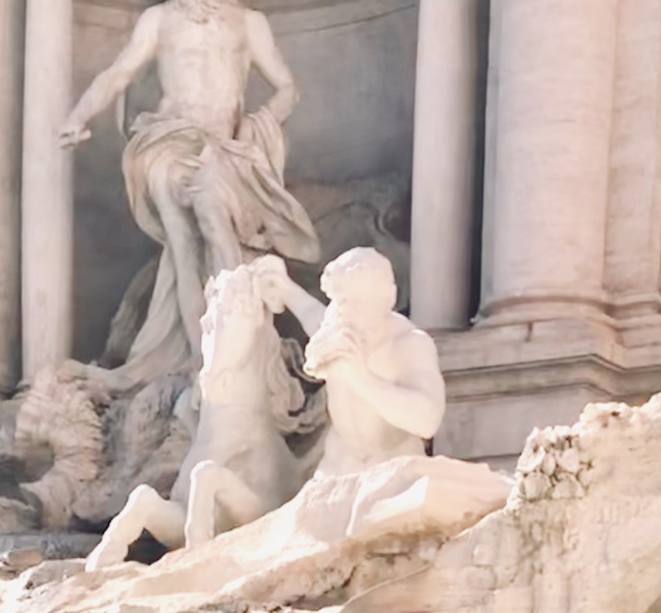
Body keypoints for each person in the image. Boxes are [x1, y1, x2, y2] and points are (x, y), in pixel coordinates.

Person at [59, 0, 319, 385]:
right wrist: (78, 116)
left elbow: (287, 88)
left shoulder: (249, 23)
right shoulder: (160, 19)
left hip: (221, 148)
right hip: (168, 141)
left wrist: (258, 124)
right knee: (183, 246)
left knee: (217, 225)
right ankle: (205, 359)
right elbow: (118, 75)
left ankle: (234, 344)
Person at [256, 247, 446, 480]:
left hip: (393, 466)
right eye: (340, 301)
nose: (343, 313)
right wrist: (283, 288)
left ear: (386, 299)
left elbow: (427, 421)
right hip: (338, 465)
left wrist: (359, 377)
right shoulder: (340, 324)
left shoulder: (409, 344)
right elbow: (312, 314)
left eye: (354, 303)